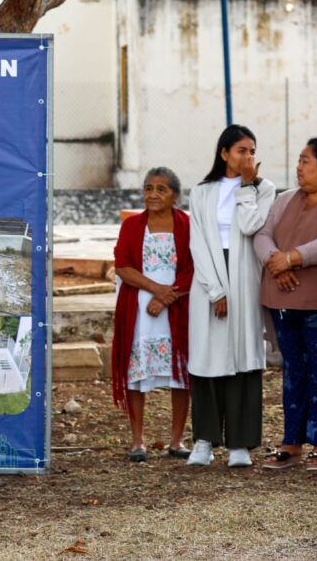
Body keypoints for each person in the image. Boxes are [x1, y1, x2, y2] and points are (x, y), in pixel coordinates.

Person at [255, 138, 317, 471]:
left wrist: (291, 259)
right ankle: (291, 443)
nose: (299, 167)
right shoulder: (284, 200)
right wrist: (275, 262)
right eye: (299, 160)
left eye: (305, 161)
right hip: (283, 300)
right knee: (294, 373)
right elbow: (262, 233)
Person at [186, 125, 276, 467]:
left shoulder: (264, 189)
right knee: (208, 359)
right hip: (209, 278)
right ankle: (204, 441)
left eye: (252, 151)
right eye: (241, 150)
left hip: (245, 279)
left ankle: (240, 444)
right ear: (224, 153)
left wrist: (247, 186)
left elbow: (251, 226)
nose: (248, 157)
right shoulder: (202, 191)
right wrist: (215, 290)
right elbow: (198, 243)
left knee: (242, 357)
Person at [112, 167, 193, 462]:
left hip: (178, 309)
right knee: (137, 374)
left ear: (175, 195)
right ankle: (137, 441)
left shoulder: (187, 225)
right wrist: (157, 290)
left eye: (161, 189)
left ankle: (177, 439)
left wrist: (167, 298)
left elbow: (193, 268)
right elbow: (122, 266)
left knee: (181, 374)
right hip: (139, 312)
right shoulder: (133, 225)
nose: (153, 194)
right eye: (148, 188)